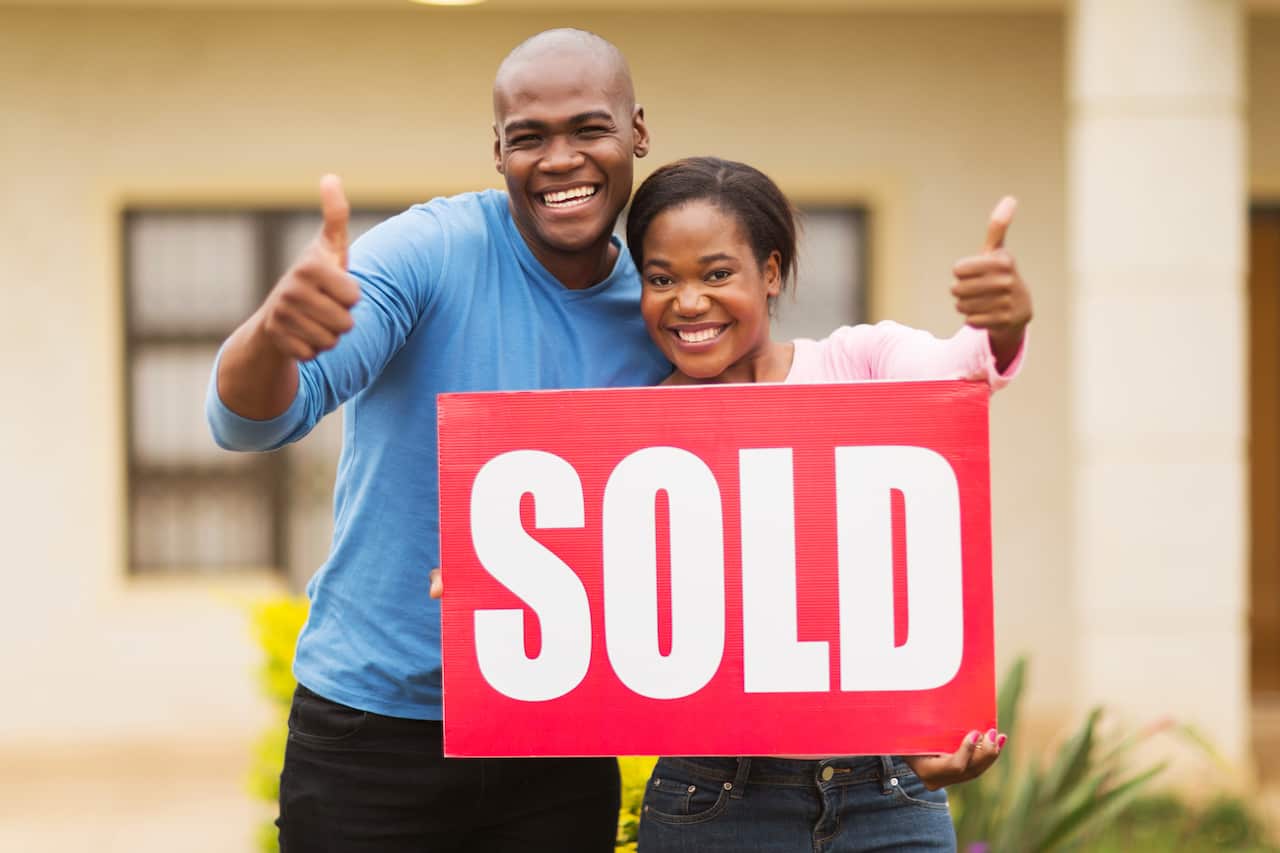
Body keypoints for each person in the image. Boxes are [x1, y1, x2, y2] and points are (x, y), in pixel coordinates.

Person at [205, 28, 667, 852]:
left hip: (553, 732)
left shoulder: (661, 311)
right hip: (370, 734)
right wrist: (274, 334)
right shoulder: (428, 251)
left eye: (588, 129)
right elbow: (254, 419)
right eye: (529, 137)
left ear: (637, 131)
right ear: (498, 152)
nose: (560, 159)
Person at [622, 156, 1031, 852]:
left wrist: (1004, 323)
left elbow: (961, 369)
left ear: (770, 272)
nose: (688, 302)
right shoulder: (627, 432)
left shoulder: (859, 362)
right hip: (712, 800)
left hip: (889, 792)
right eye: (662, 279)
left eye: (716, 274)